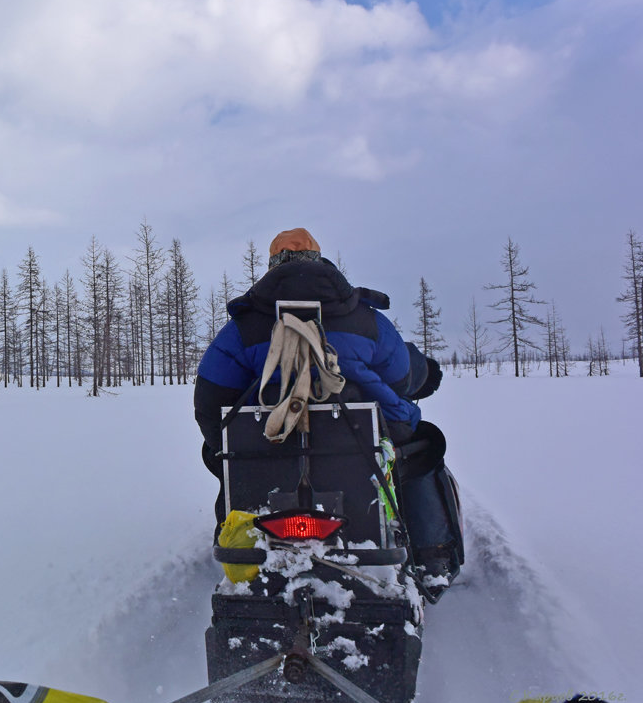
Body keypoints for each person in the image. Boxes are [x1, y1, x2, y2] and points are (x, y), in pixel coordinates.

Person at [194, 228, 453, 573]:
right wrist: (425, 373)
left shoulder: (241, 328)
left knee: (226, 458)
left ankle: (236, 539)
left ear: (272, 264)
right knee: (425, 450)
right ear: (318, 258)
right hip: (368, 439)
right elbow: (403, 375)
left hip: (269, 445)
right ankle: (434, 557)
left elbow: (210, 403)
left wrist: (226, 451)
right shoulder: (364, 316)